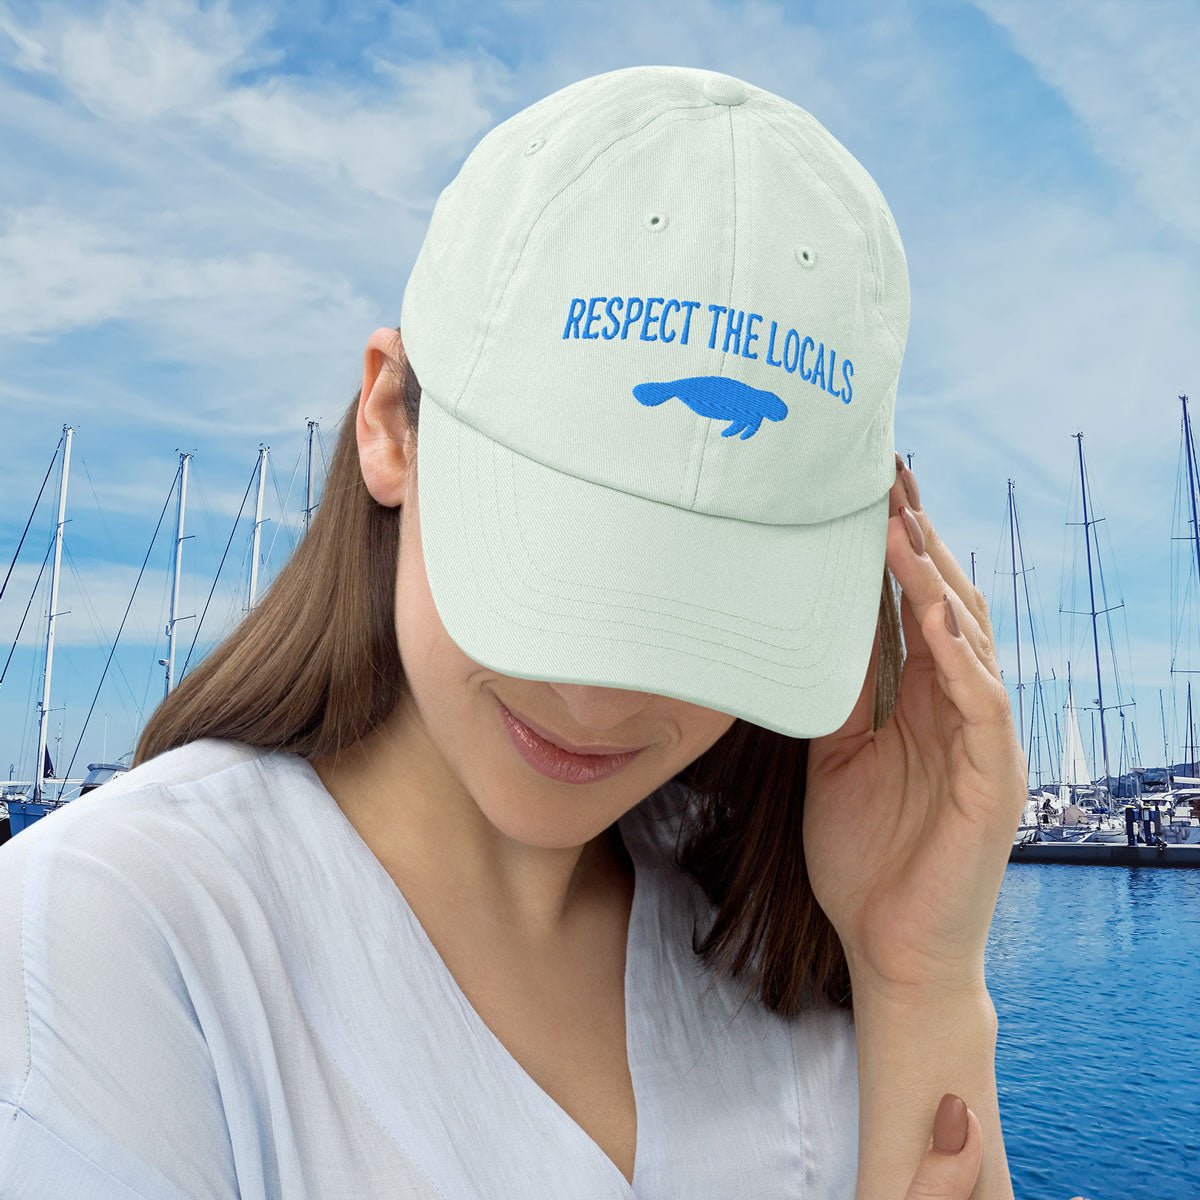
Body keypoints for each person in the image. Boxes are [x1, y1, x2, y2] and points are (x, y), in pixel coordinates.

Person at [0, 64, 1085, 1200]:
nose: (605, 699)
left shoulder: (810, 936)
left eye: (712, 604)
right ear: (389, 425)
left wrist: (919, 972)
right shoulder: (107, 950)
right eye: (562, 564)